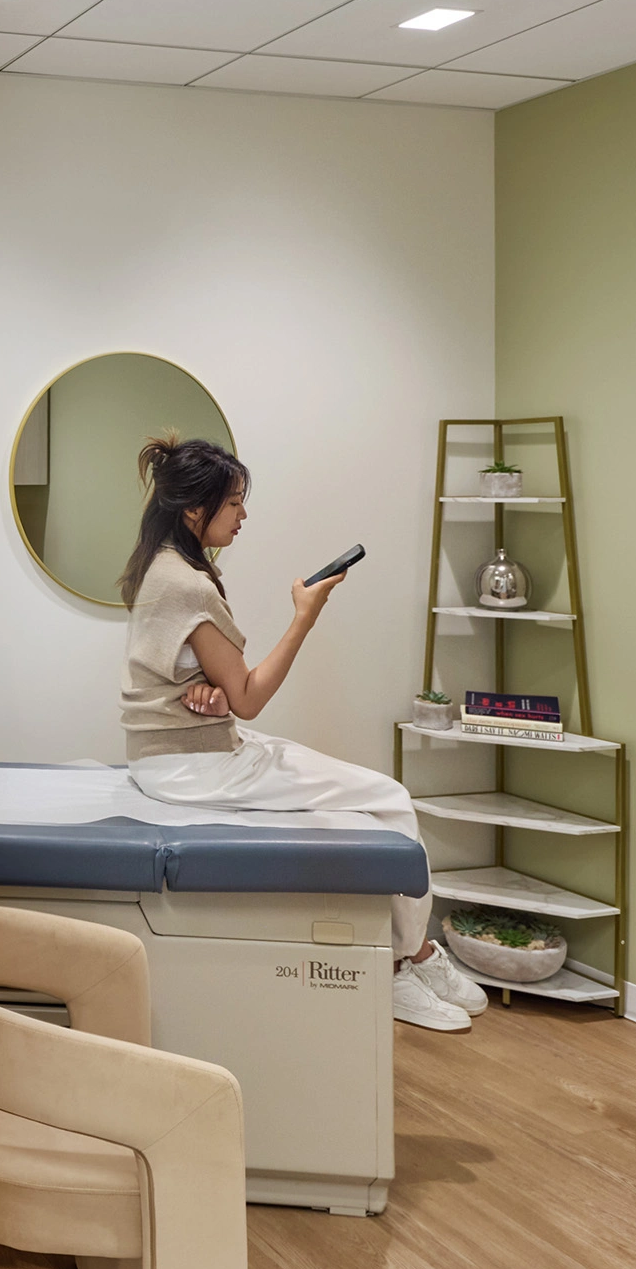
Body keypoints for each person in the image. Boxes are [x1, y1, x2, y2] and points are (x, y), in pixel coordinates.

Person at [117, 436, 486, 1033]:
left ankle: (404, 955)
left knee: (349, 796)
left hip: (176, 753)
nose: (244, 517)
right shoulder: (188, 583)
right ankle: (404, 960)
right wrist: (305, 615)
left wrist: (206, 692)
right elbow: (252, 699)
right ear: (194, 509)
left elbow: (188, 678)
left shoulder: (158, 565)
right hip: (192, 764)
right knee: (392, 800)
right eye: (234, 504)